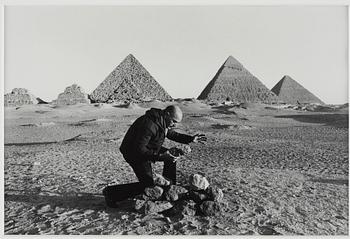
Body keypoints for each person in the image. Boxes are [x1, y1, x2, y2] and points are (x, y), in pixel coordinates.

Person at [102, 105, 206, 207]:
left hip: (149, 147)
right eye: (174, 121)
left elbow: (172, 134)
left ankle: (170, 191)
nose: (174, 125)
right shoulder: (149, 124)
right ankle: (111, 193)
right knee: (147, 185)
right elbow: (139, 150)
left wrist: (190, 139)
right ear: (167, 114)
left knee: (172, 156)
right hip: (133, 153)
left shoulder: (162, 121)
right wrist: (161, 156)